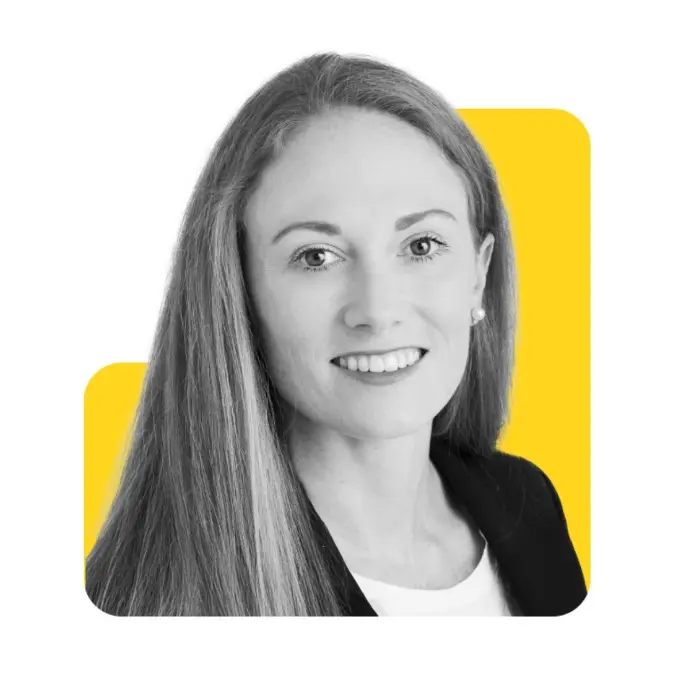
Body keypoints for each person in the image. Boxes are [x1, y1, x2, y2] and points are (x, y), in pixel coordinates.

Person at [85, 52, 587, 616]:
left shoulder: (528, 503)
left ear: (479, 274)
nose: (378, 311)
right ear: (237, 291)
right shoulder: (152, 607)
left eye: (422, 245)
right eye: (316, 256)